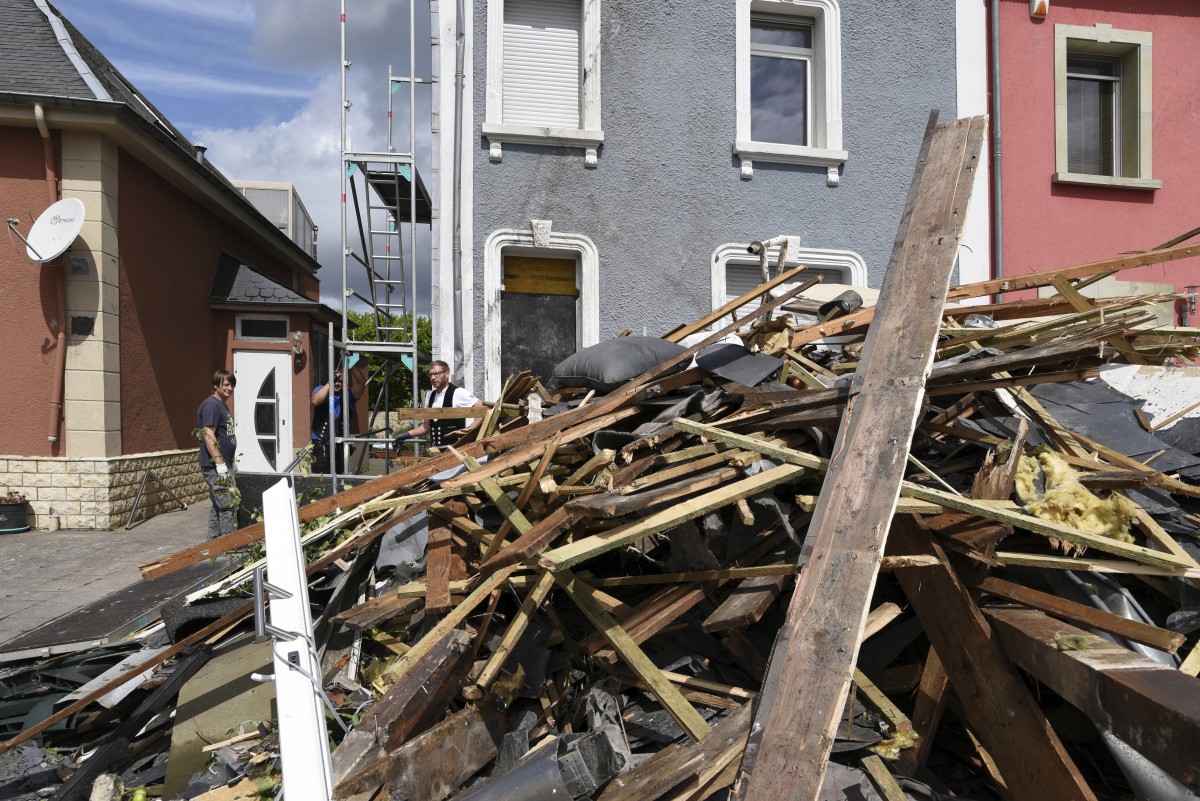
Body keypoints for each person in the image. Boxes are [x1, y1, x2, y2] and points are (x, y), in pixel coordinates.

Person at [394, 360, 483, 449]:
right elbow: (428, 425)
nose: (433, 378)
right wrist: (406, 435)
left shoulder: (458, 392)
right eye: (430, 374)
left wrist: (468, 432)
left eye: (436, 374)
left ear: (447, 374)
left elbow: (483, 410)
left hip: (455, 450)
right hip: (435, 450)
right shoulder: (429, 395)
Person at [197, 369, 238, 538]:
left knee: (218, 503)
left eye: (232, 385)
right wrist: (220, 463)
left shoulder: (221, 404)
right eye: (226, 385)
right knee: (228, 504)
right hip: (216, 466)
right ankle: (229, 544)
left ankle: (213, 541)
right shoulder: (211, 405)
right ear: (216, 385)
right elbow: (208, 434)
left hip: (223, 463)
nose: (230, 388)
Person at [311, 355, 368, 473]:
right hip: (321, 447)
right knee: (321, 483)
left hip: (339, 447)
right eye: (335, 381)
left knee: (339, 482)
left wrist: (350, 364)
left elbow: (361, 383)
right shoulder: (321, 389)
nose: (337, 383)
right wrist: (331, 381)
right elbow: (315, 401)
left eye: (340, 381)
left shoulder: (347, 396)